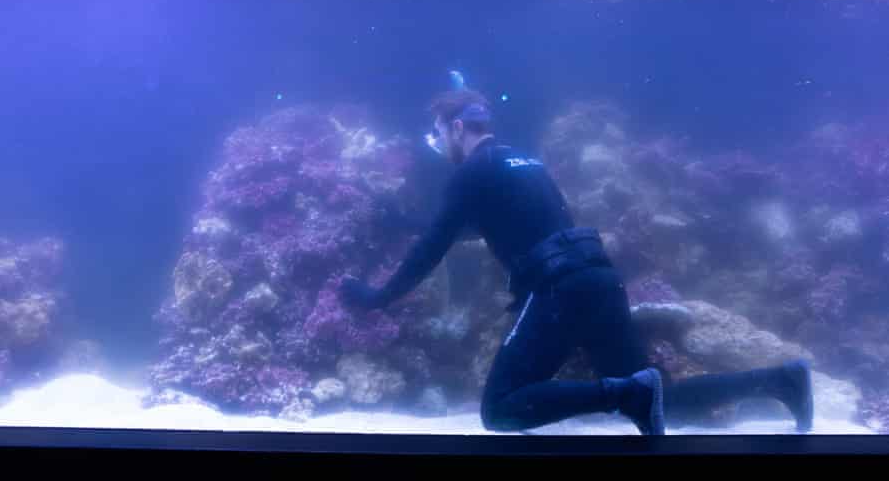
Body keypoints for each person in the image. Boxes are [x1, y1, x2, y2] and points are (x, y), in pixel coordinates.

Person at [339, 88, 814, 436]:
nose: (437, 141)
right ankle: (781, 381)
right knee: (656, 399)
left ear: (457, 128)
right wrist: (402, 221)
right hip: (599, 279)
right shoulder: (523, 161)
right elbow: (473, 224)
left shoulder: (471, 172)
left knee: (501, 410)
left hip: (557, 289)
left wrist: (378, 297)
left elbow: (434, 247)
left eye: (437, 132)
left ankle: (628, 394)